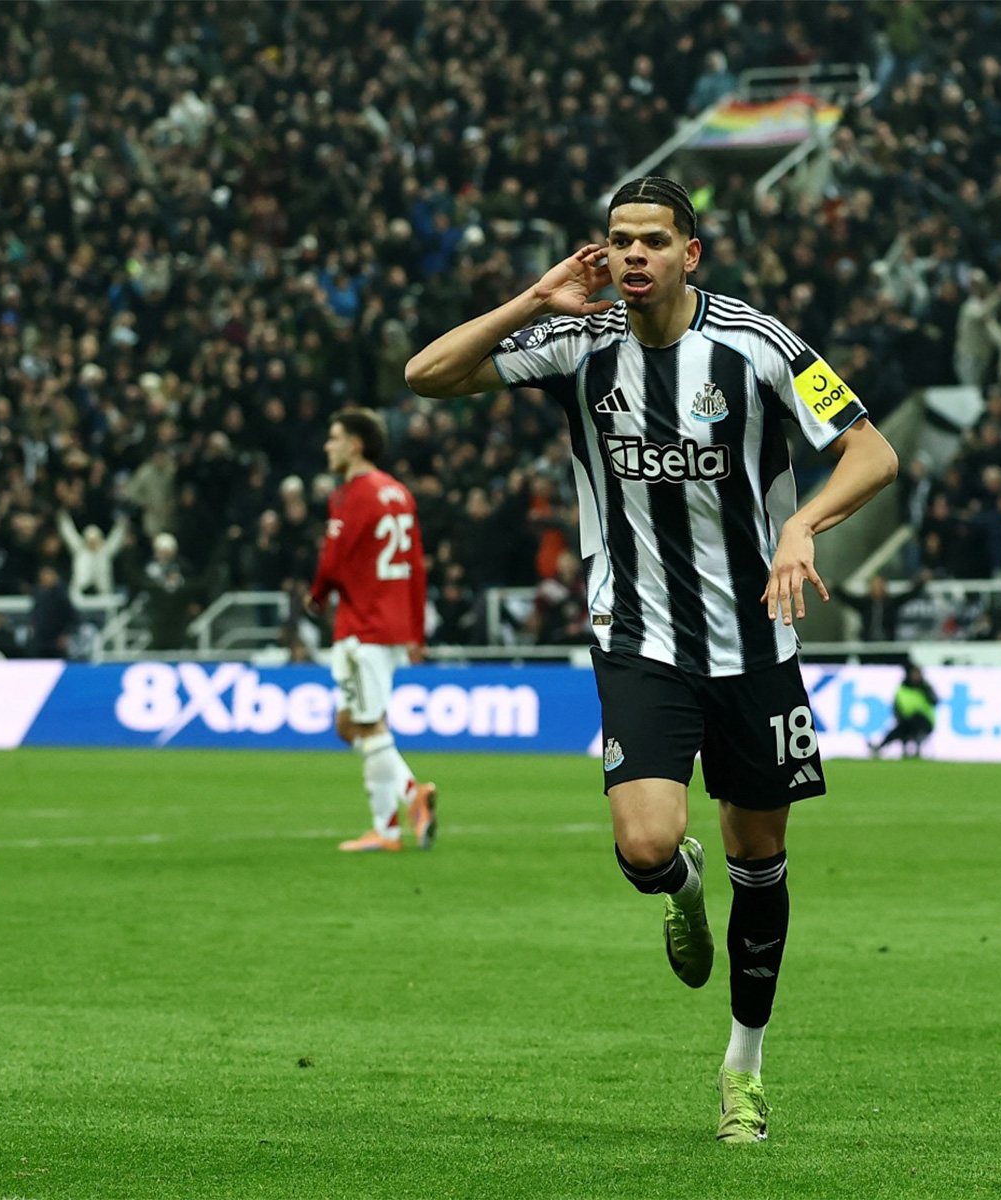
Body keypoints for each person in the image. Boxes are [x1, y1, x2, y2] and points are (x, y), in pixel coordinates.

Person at [403, 175, 898, 1143]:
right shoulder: (578, 341)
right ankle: (679, 888)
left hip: (755, 643)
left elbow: (872, 451)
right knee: (643, 844)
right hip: (637, 638)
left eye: (652, 241)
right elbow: (427, 374)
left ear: (689, 253)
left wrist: (801, 525)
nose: (632, 256)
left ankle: (742, 1070)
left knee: (763, 861)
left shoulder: (757, 345)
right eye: (619, 240)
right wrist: (530, 302)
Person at [308, 407, 437, 853]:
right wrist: (416, 631)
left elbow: (333, 560)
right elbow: (416, 567)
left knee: (367, 722)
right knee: (349, 723)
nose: (329, 446)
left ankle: (411, 797)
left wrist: (317, 593)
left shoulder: (350, 495)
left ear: (355, 444)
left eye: (335, 437)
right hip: (390, 622)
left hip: (361, 625)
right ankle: (386, 831)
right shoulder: (399, 493)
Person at [870, 665, 938, 757]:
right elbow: (896, 707)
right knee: (898, 729)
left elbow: (935, 701)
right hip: (906, 721)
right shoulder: (902, 689)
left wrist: (926, 691)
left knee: (916, 718)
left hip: (925, 721)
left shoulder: (925, 687)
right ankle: (879, 747)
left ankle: (915, 750)